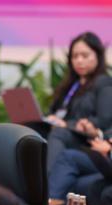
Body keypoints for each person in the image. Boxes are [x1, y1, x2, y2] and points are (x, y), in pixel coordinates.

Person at [45, 31, 112, 172]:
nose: (79, 61)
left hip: (85, 139)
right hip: (63, 133)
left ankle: (49, 183)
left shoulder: (104, 83)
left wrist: (68, 125)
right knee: (30, 132)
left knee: (58, 134)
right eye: (75, 56)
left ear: (98, 56)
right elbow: (55, 110)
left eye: (85, 56)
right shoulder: (70, 85)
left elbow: (104, 121)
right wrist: (50, 119)